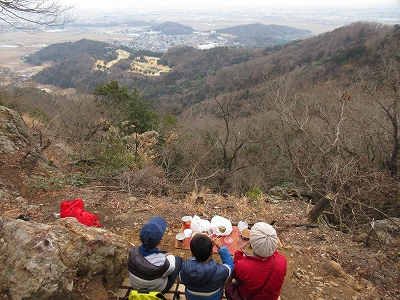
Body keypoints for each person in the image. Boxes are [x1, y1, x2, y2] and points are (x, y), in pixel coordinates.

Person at [231, 222, 286, 300]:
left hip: (247, 296)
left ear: (251, 243)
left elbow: (234, 272)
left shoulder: (243, 266)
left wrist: (239, 250)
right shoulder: (282, 260)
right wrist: (268, 245)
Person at [128, 216, 182, 293]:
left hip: (136, 286)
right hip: (156, 289)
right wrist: (169, 256)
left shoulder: (132, 252)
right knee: (178, 260)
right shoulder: (161, 262)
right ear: (160, 242)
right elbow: (171, 267)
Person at [179, 233, 234, 300]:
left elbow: (181, 278)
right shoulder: (221, 271)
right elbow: (230, 266)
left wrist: (193, 258)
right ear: (212, 252)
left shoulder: (183, 269)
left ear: (192, 253)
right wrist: (221, 248)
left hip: (191, 297)